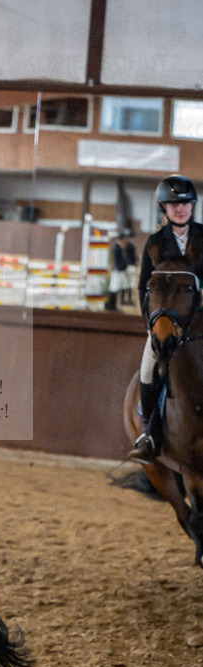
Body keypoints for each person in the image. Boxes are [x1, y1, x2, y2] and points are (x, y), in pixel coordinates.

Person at [129, 175, 203, 463]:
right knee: (147, 371)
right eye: (174, 205)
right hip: (166, 326)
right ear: (164, 208)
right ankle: (149, 435)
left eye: (185, 204)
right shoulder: (155, 243)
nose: (180, 209)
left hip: (198, 322)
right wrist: (150, 324)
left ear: (192, 206)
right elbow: (142, 286)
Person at [106, 232, 128, 311]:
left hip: (118, 270)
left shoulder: (119, 248)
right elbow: (119, 260)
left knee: (115, 288)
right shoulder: (117, 248)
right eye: (124, 240)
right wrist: (124, 266)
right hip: (117, 270)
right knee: (114, 288)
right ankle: (111, 305)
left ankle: (112, 305)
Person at [122, 233, 138, 307]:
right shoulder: (130, 246)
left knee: (127, 284)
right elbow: (132, 257)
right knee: (129, 284)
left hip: (128, 266)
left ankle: (125, 299)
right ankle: (127, 299)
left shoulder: (126, 246)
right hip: (130, 266)